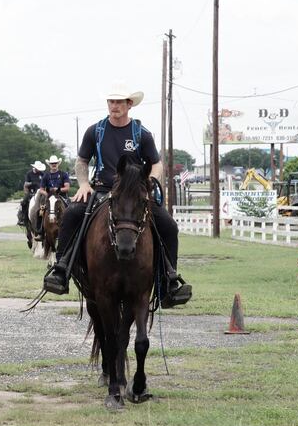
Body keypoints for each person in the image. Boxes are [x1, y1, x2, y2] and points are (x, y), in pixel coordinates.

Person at [43, 82, 192, 308]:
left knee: (169, 226)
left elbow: (157, 164)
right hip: (103, 189)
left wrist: (150, 180)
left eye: (119, 102)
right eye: (111, 102)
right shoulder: (95, 131)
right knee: (72, 214)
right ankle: (61, 269)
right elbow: (82, 160)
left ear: (129, 104)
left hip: (134, 193)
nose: (114, 106)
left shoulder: (142, 134)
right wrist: (83, 184)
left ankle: (168, 282)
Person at [17, 160, 45, 226]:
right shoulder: (29, 174)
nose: (39, 170)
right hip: (31, 192)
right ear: (35, 167)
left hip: (41, 192)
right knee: (24, 202)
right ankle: (22, 218)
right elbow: (26, 184)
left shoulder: (42, 174)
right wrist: (32, 184)